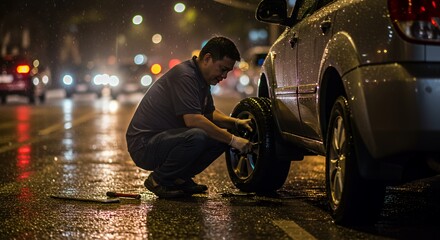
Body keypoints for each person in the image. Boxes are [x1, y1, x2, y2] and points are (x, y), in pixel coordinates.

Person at [126, 36, 253, 198]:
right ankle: (159, 180)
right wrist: (233, 140)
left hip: (165, 139)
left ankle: (178, 179)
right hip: (143, 145)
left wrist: (235, 123)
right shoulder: (185, 76)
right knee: (198, 136)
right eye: (222, 69)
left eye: (227, 71)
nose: (224, 76)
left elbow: (208, 113)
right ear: (207, 59)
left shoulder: (202, 78)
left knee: (221, 136)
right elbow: (193, 119)